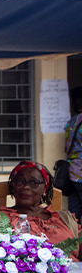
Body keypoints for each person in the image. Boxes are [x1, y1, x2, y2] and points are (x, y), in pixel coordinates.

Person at [0, 161, 79, 260]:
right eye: (20, 182)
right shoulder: (0, 220)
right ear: (13, 187)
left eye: (34, 182)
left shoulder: (65, 219)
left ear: (44, 188)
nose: (26, 187)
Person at [64, 88, 82, 219]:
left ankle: (73, 237)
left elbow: (67, 147)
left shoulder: (71, 122)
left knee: (74, 211)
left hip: (72, 173)